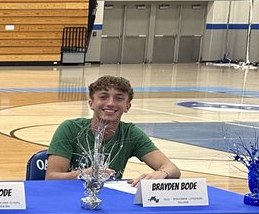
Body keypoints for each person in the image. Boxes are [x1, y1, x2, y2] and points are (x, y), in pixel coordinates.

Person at [46, 75, 179, 185]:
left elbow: (172, 169)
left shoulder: (130, 133)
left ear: (127, 106)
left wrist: (161, 173)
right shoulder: (70, 128)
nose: (110, 103)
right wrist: (82, 174)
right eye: (103, 97)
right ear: (91, 103)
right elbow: (51, 177)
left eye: (119, 98)